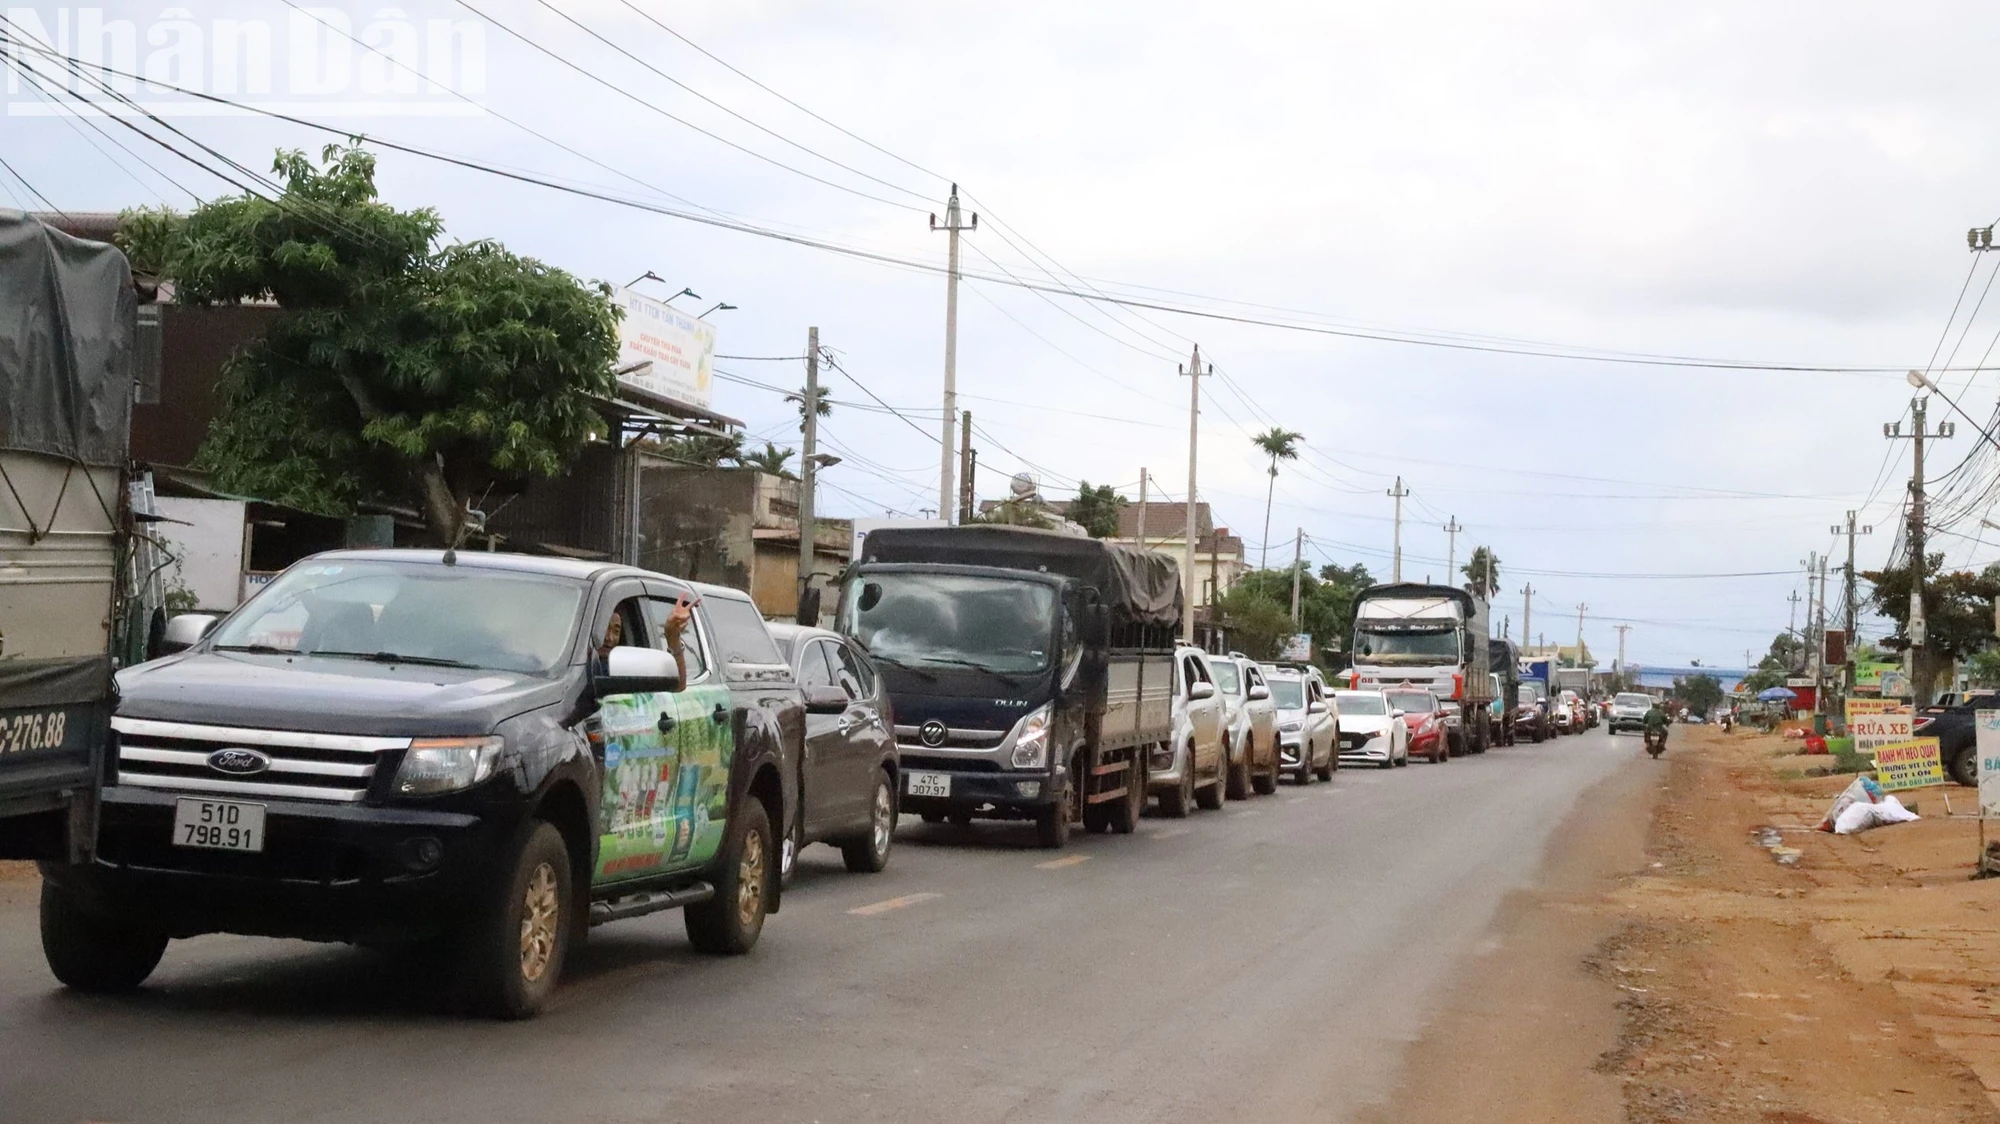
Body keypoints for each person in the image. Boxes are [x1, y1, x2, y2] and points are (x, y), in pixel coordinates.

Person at [595, 595, 695, 692]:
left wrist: (672, 636)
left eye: (616, 631)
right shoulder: (582, 666)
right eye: (604, 629)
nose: (610, 638)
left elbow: (677, 685)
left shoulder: (623, 667)